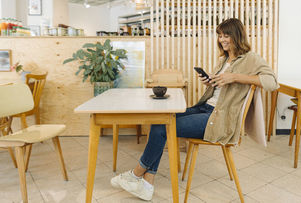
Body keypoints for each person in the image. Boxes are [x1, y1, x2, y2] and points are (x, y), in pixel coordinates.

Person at [110, 18, 279, 200]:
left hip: (219, 119)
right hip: (206, 108)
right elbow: (221, 90)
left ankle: (137, 174)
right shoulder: (224, 59)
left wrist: (235, 77)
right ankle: (146, 182)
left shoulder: (251, 59)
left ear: (237, 36)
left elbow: (272, 82)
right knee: (159, 121)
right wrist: (211, 82)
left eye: (226, 35)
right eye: (220, 36)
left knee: (163, 126)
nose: (222, 40)